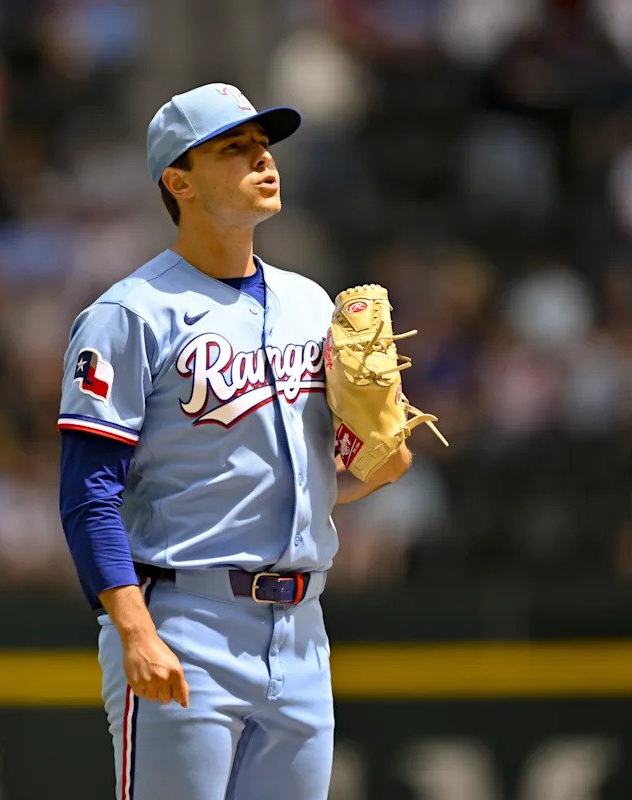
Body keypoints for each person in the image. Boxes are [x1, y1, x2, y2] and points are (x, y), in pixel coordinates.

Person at [57, 82, 413, 800]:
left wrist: (381, 460)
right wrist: (134, 630)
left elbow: (325, 475)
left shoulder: (310, 303)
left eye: (263, 145)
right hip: (185, 620)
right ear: (179, 181)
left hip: (302, 628)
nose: (262, 159)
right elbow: (88, 494)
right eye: (233, 148)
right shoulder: (129, 315)